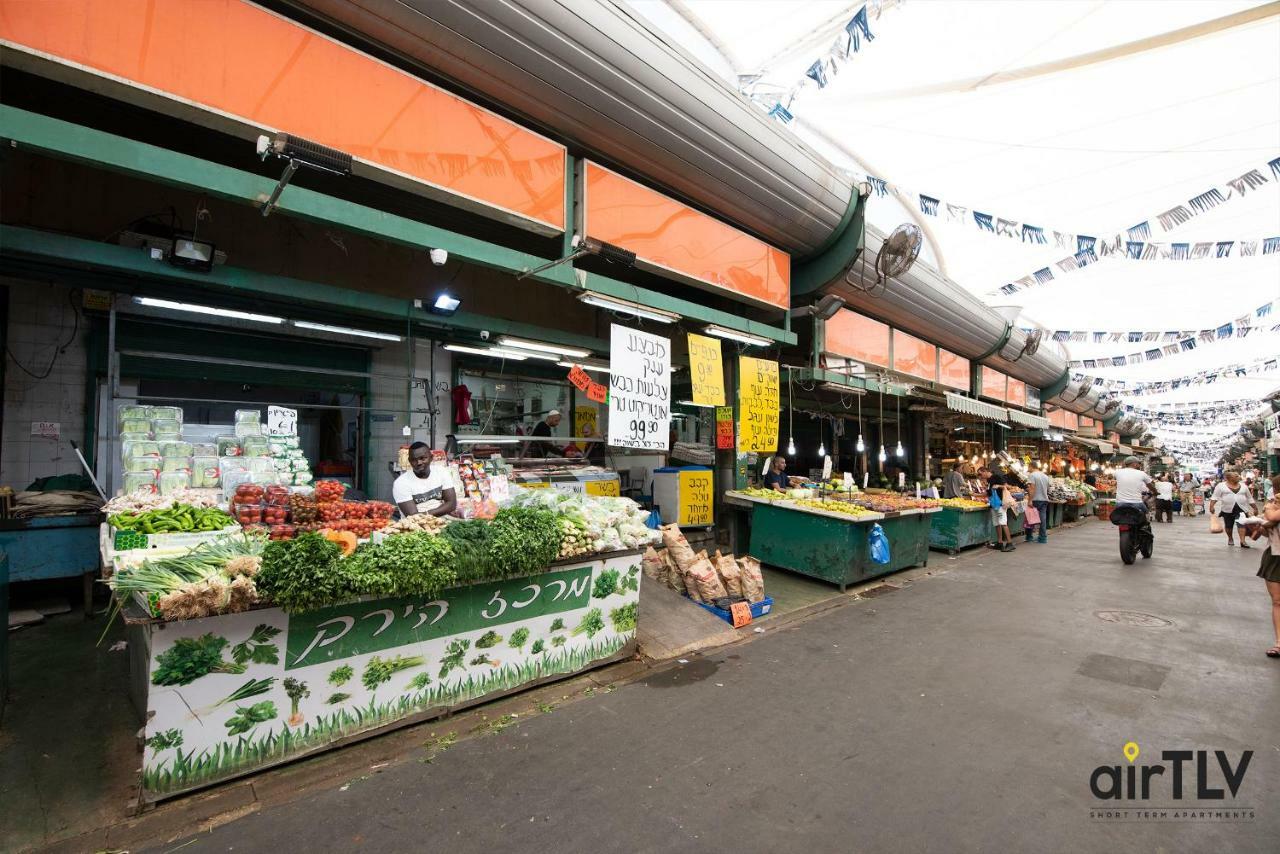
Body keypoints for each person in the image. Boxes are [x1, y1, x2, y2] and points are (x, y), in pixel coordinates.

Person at [393, 442, 457, 519]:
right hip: (416, 528)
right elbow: (413, 517)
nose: (419, 463)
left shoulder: (441, 472)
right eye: (414, 460)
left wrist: (424, 513)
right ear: (409, 461)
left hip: (442, 522)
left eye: (423, 458)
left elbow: (452, 504)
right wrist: (442, 509)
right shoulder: (401, 483)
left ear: (431, 458)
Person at [1257, 474, 1280, 659]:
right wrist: (1263, 526)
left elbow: (1272, 517)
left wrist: (1268, 513)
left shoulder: (1271, 507)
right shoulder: (1273, 504)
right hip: (1275, 555)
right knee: (1277, 600)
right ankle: (1279, 643)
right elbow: (1266, 531)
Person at [1210, 470, 1258, 548]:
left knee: (1241, 524)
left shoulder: (1243, 486)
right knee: (1229, 526)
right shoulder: (1221, 486)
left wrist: (1255, 508)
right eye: (1236, 476)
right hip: (1227, 509)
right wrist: (1211, 506)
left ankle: (1242, 541)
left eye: (1238, 475)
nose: (1238, 477)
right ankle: (1230, 538)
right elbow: (1215, 497)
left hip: (1241, 509)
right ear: (1229, 478)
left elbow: (1250, 498)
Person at [981, 467, 1015, 552]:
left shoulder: (996, 476)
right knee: (996, 523)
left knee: (1003, 523)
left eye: (980, 473)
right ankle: (999, 543)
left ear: (985, 471)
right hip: (993, 505)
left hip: (1000, 504)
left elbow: (1007, 486)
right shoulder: (989, 480)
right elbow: (989, 493)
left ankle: (1010, 543)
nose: (980, 476)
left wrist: (998, 486)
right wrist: (976, 494)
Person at [1026, 461, 1051, 544]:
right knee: (1042, 519)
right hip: (1044, 499)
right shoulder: (1045, 476)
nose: (1027, 469)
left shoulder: (1032, 475)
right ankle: (1043, 538)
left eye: (1028, 467)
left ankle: (1029, 536)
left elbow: (1032, 488)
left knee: (1030, 518)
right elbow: (1048, 489)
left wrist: (1030, 500)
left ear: (1031, 466)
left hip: (1035, 499)